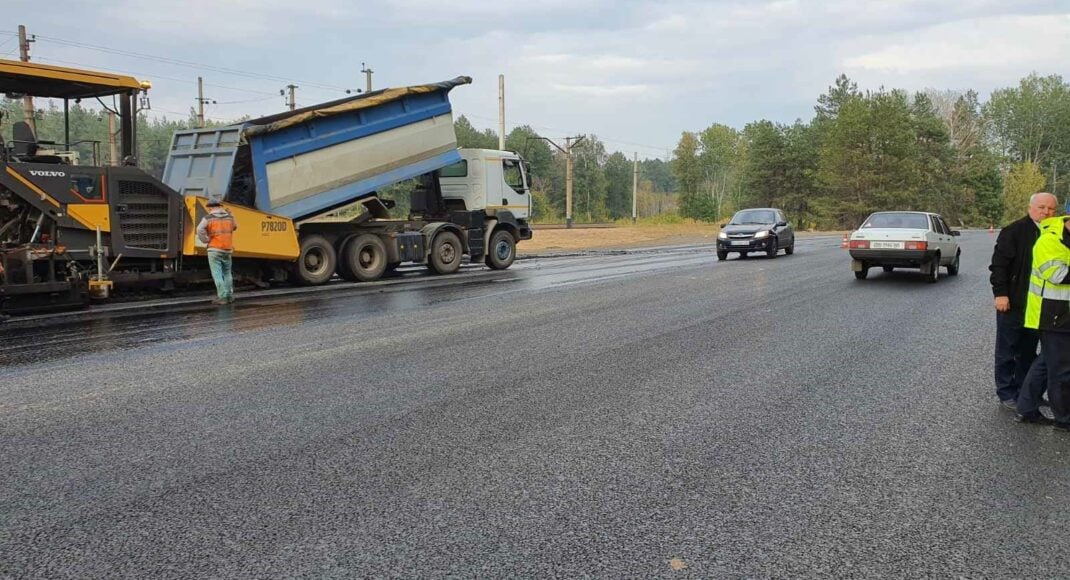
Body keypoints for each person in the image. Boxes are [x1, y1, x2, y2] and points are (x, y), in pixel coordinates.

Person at [989, 192, 1058, 410]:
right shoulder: (1014, 231)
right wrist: (1001, 294)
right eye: (1041, 207)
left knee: (1029, 352)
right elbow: (999, 266)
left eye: (1050, 209)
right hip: (1013, 302)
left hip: (1040, 306)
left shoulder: (1055, 234)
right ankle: (1007, 393)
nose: (1045, 212)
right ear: (1030, 208)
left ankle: (1028, 393)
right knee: (1007, 350)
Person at [1024, 214, 1070, 432]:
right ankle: (1064, 418)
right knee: (1061, 369)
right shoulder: (1049, 240)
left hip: (1062, 313)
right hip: (1053, 314)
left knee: (1045, 363)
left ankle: (1026, 407)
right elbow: (1058, 275)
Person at [196, 198, 238, 305]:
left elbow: (199, 229)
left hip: (214, 249)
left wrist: (205, 239)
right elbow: (235, 227)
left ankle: (222, 296)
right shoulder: (230, 217)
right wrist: (231, 215)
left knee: (217, 274)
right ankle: (229, 296)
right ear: (220, 206)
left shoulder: (208, 218)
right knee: (227, 273)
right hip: (227, 249)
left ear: (210, 207)